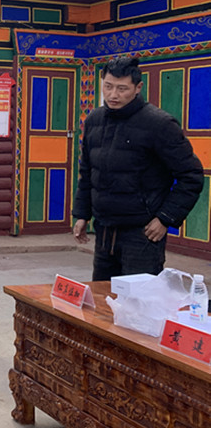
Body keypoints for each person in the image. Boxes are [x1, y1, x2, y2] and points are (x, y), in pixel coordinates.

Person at [72, 56, 204, 281]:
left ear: (138, 88)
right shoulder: (94, 119)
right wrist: (82, 214)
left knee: (139, 298)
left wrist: (165, 218)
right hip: (105, 229)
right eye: (108, 86)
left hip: (143, 233)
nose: (113, 95)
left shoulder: (159, 124)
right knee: (102, 297)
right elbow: (87, 172)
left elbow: (191, 175)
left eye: (122, 88)